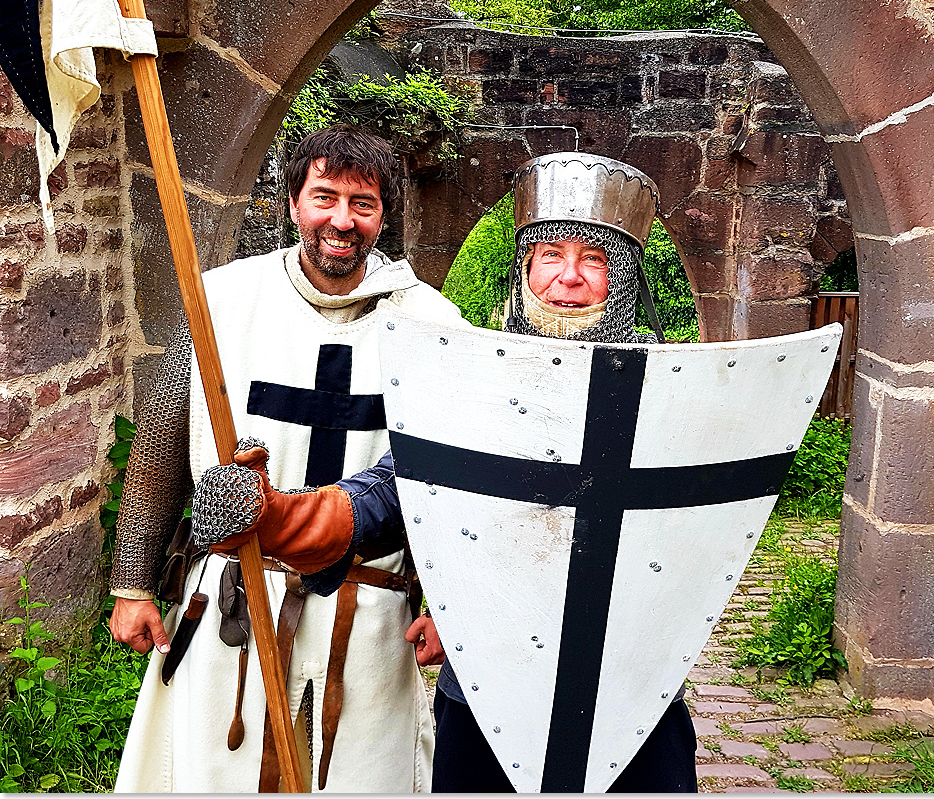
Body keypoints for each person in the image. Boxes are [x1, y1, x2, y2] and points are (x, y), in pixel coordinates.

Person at [193, 152, 697, 792]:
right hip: (485, 673)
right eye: (551, 256)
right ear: (525, 269)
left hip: (630, 683)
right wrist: (281, 516)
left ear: (622, 275)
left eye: (593, 260)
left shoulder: (675, 399)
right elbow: (395, 491)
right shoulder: (476, 380)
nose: (569, 278)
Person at [108, 124, 462, 792]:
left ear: (383, 214)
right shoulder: (222, 301)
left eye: (363, 203)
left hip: (370, 608)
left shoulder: (434, 325)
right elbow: (159, 450)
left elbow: (456, 486)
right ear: (294, 202)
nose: (342, 220)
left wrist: (449, 605)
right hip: (235, 599)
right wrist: (132, 585)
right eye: (324, 197)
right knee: (216, 775)